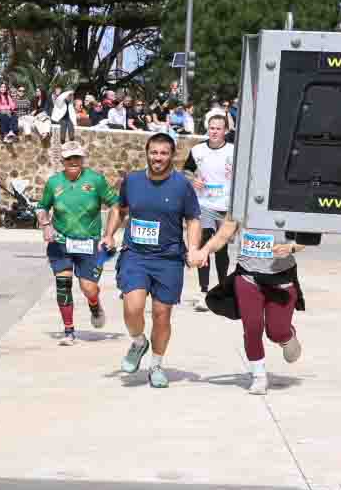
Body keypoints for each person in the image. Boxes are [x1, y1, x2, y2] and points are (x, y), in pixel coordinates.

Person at [105, 132, 205, 388]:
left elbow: (193, 219)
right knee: (133, 308)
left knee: (162, 315)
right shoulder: (132, 181)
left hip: (169, 258)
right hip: (135, 255)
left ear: (172, 156)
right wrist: (109, 235)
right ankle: (139, 342)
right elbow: (119, 209)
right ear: (147, 153)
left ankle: (157, 366)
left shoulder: (182, 185)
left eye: (163, 153)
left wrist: (194, 248)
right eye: (154, 152)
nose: (158, 158)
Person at [195, 217, 312, 394]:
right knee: (252, 327)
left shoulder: (288, 205)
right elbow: (223, 234)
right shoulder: (241, 205)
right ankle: (259, 376)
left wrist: (291, 247)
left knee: (276, 332)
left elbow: (308, 236)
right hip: (247, 276)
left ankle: (287, 336)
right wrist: (205, 250)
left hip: (281, 278)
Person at [38, 143, 116, 346]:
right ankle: (69, 331)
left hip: (89, 243)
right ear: (62, 161)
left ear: (82, 159)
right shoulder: (54, 182)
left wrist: (109, 234)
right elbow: (42, 207)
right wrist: (45, 225)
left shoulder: (96, 180)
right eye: (68, 158)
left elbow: (116, 205)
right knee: (63, 285)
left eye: (77, 158)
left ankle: (94, 304)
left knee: (89, 288)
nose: (73, 162)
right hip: (60, 243)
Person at [184, 111, 238, 312]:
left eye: (218, 129)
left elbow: (246, 171)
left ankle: (222, 289)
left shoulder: (234, 151)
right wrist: (192, 180)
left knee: (221, 248)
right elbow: (185, 170)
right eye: (211, 128)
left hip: (226, 206)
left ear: (225, 131)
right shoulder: (197, 150)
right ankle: (204, 291)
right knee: (204, 243)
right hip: (204, 204)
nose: (214, 132)